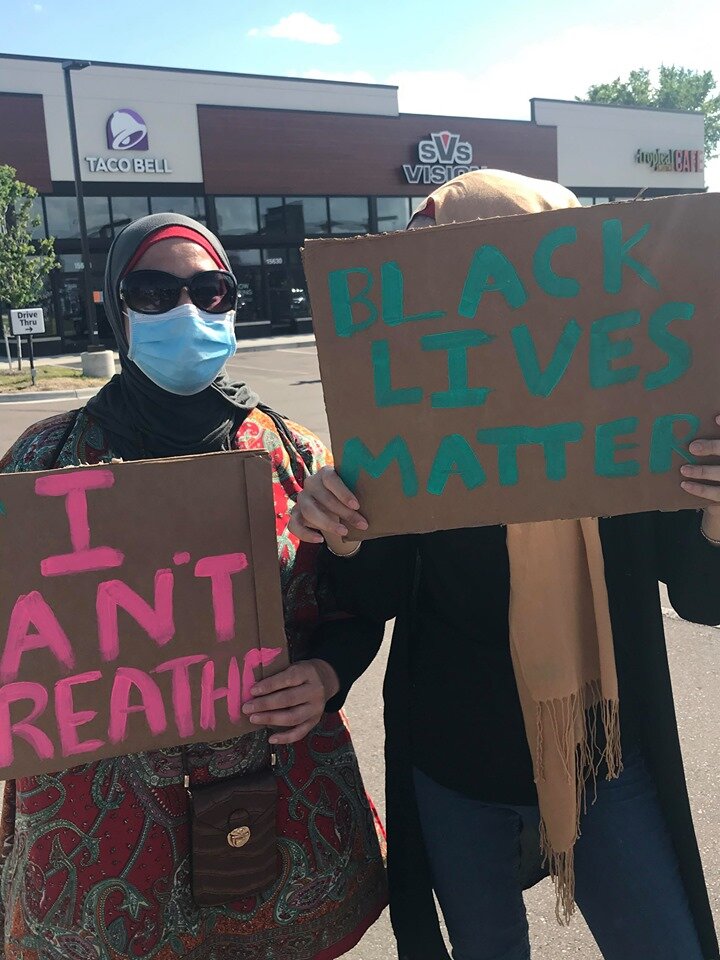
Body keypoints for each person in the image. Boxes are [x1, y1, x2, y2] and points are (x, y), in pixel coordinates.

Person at [281, 171, 720, 960]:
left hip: (603, 762)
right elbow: (372, 594)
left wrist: (716, 510)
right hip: (456, 771)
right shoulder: (409, 416)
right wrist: (338, 526)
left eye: (453, 263)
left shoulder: (631, 420)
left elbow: (702, 598)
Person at [0, 213, 387, 960]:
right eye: (153, 291)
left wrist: (328, 674)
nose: (187, 311)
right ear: (114, 306)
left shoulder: (297, 455)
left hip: (269, 811)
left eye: (211, 291)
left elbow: (356, 605)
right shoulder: (41, 466)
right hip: (99, 842)